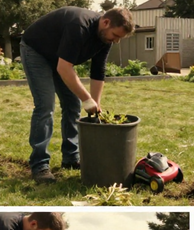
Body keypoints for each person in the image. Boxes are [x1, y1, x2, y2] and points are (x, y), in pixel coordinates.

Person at [20, 7, 135, 184]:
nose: (117, 41)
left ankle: (71, 157)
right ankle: (39, 165)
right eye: (116, 35)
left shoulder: (105, 39)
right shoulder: (79, 26)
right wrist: (87, 99)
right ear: (106, 22)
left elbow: (98, 71)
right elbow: (64, 68)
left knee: (72, 105)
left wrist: (95, 104)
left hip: (59, 58)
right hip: (36, 51)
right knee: (45, 105)